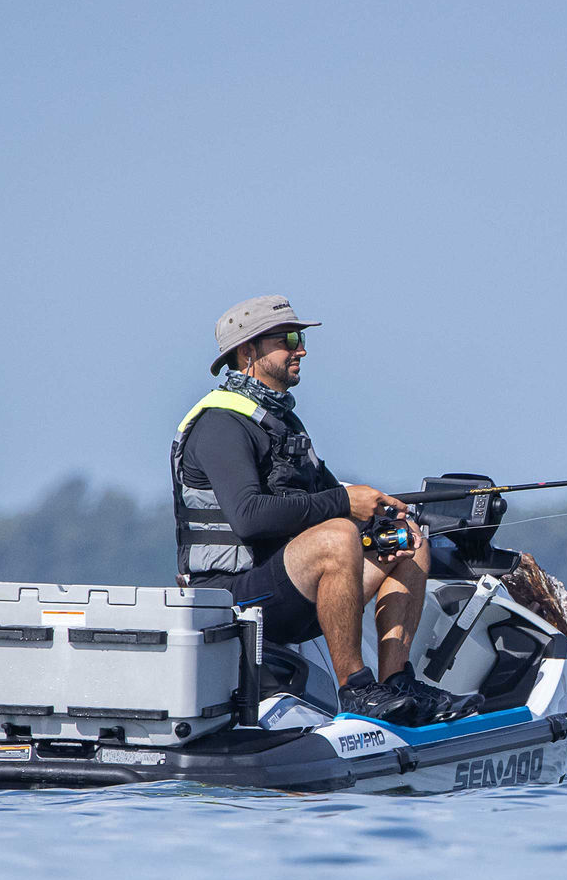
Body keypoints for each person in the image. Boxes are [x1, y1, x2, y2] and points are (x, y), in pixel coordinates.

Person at [169, 295, 482, 727]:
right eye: (287, 340)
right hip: (232, 598)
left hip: (289, 589)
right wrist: (344, 504)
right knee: (338, 537)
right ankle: (355, 690)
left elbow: (329, 493)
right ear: (248, 352)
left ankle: (397, 683)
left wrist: (379, 513)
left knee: (407, 538)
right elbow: (249, 517)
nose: (300, 350)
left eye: (301, 340)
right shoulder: (220, 425)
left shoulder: (281, 422)